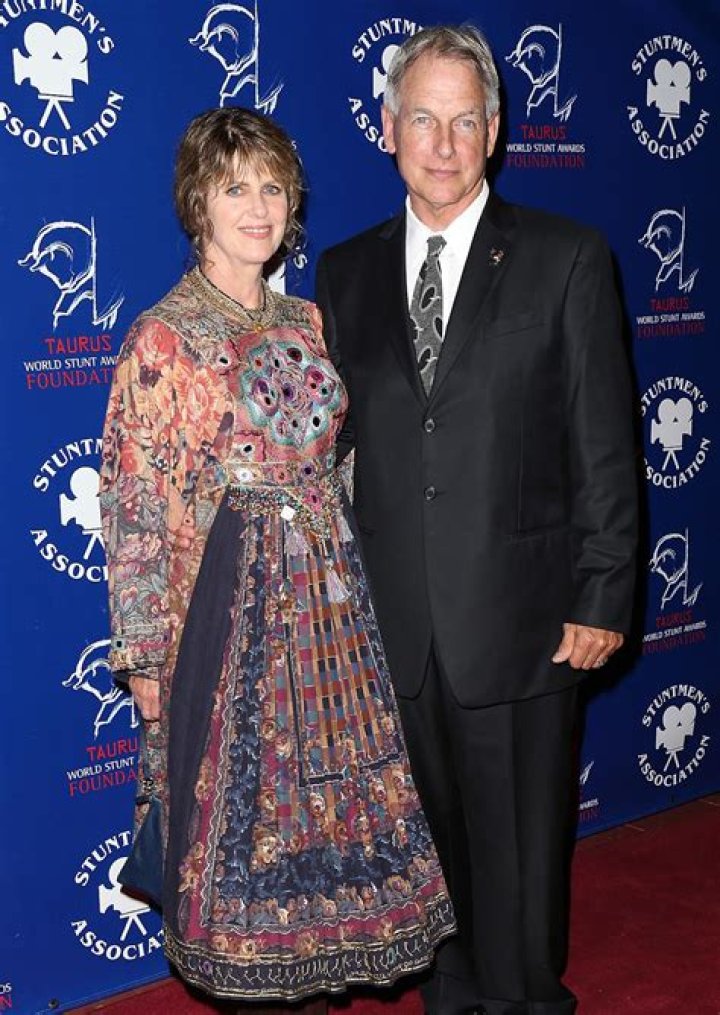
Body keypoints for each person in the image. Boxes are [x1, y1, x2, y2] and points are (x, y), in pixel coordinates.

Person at [99, 107, 455, 1007]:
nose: (258, 208)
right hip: (222, 623)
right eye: (235, 189)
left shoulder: (310, 320)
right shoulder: (161, 336)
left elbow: (345, 462)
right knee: (241, 839)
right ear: (198, 204)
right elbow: (134, 502)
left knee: (326, 828)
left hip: (331, 621)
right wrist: (144, 654)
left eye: (272, 187)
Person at [316, 25, 638, 1015]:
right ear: (387, 127)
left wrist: (604, 592)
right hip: (396, 624)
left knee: (521, 865)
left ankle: (530, 1001)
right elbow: (336, 446)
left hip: (525, 619)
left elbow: (604, 443)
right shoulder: (344, 272)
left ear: (495, 130)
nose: (444, 144)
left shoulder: (566, 258)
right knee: (432, 861)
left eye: (465, 121)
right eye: (423, 119)